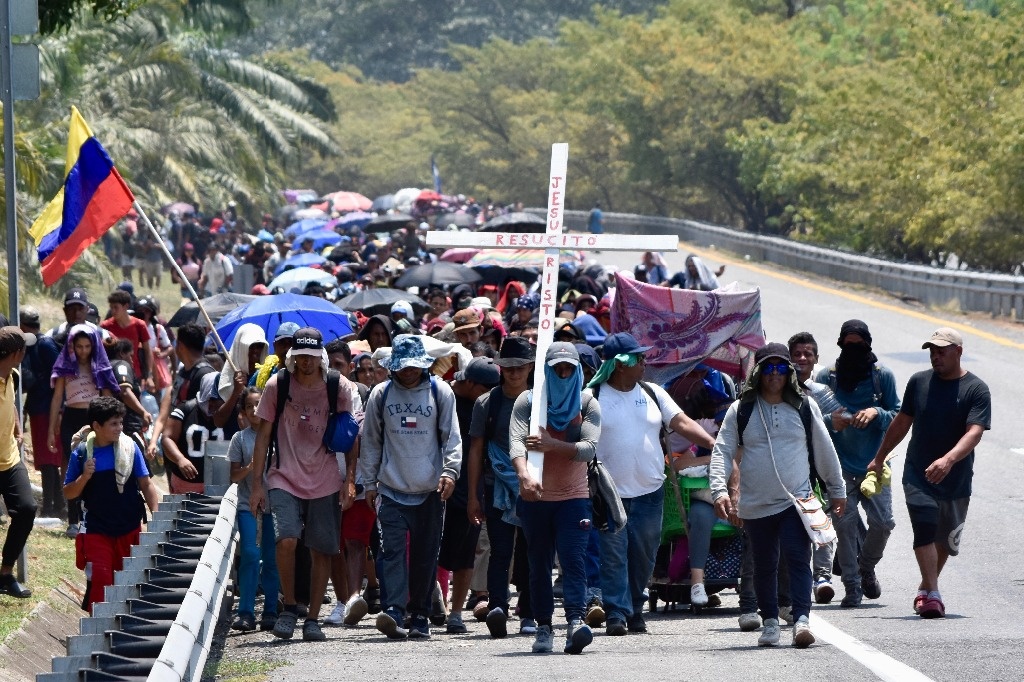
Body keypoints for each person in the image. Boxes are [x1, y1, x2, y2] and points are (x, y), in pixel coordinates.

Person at [710, 343, 846, 649]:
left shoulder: (805, 406)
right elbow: (722, 450)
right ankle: (770, 621)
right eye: (768, 368)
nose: (774, 374)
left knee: (798, 558)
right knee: (764, 563)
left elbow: (824, 450)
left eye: (781, 368)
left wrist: (837, 489)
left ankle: (801, 621)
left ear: (789, 373)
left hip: (796, 501)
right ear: (758, 372)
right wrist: (720, 490)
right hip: (756, 504)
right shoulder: (741, 409)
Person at [588, 332, 716, 634]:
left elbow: (681, 422)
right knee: (614, 554)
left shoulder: (653, 392)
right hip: (610, 494)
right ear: (620, 364)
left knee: (644, 554)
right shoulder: (593, 397)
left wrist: (713, 443)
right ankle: (618, 613)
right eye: (638, 358)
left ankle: (634, 604)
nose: (644, 362)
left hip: (650, 491)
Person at [868, 328, 990, 619]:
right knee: (924, 526)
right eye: (932, 351)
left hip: (956, 477)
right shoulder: (919, 382)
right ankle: (934, 595)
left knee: (945, 539)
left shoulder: (976, 389)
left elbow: (975, 432)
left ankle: (925, 587)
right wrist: (879, 458)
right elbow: (901, 422)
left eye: (942, 351)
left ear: (958, 351)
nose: (935, 356)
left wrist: (948, 460)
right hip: (918, 472)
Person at [249, 327, 358, 642]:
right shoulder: (277, 385)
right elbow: (263, 438)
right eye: (300, 357)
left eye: (311, 356)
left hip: (325, 476)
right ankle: (290, 606)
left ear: (319, 357)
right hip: (284, 475)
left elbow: (351, 437)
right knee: (287, 540)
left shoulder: (337, 386)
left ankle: (312, 618)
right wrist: (257, 485)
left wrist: (349, 479)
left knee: (321, 548)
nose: (306, 363)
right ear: (292, 357)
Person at [360, 335, 461, 640]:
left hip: (430, 489)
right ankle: (393, 610)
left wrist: (450, 472)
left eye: (414, 366)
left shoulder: (440, 391)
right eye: (403, 367)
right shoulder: (381, 394)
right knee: (391, 552)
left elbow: (451, 437)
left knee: (425, 554)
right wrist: (369, 483)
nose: (409, 372)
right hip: (391, 487)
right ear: (393, 367)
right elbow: (372, 442)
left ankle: (419, 613)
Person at [510, 343, 600, 655]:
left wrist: (551, 444)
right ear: (547, 370)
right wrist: (523, 475)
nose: (563, 373)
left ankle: (575, 621)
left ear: (578, 370)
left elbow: (589, 448)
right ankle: (544, 627)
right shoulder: (529, 401)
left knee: (574, 562)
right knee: (538, 564)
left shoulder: (587, 403)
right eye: (557, 368)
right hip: (536, 498)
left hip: (573, 498)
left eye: (569, 368)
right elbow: (516, 442)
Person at [816, 320, 901, 608]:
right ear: (840, 345)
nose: (853, 350)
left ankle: (866, 567)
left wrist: (877, 413)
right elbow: (812, 421)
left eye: (859, 345)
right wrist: (832, 421)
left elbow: (900, 415)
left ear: (869, 345)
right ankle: (852, 587)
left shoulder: (882, 377)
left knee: (883, 523)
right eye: (848, 345)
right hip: (839, 468)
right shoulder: (827, 378)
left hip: (875, 465)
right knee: (846, 525)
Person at [63, 397, 160, 613]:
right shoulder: (81, 453)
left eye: (120, 422)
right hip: (97, 530)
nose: (119, 428)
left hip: (129, 527)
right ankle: (97, 636)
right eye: (113, 424)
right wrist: (85, 476)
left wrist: (157, 518)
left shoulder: (130, 448)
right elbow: (69, 492)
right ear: (97, 426)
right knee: (102, 582)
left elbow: (145, 483)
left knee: (129, 583)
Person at [442, 357, 500, 634]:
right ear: (468, 383)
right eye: (485, 388)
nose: (489, 394)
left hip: (472, 491)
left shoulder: (487, 408)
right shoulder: (442, 399)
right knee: (428, 553)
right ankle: (426, 603)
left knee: (466, 555)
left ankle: (455, 613)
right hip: (438, 488)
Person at [49, 325, 120, 538]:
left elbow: (108, 398)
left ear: (93, 346)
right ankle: (72, 520)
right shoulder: (65, 367)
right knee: (72, 466)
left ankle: (91, 517)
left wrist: (114, 425)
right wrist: (51, 429)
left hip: (93, 419)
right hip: (71, 417)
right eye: (78, 346)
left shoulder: (99, 367)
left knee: (93, 466)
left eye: (87, 346)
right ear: (71, 346)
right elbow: (57, 398)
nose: (82, 351)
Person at [787, 331, 836, 606]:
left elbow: (836, 424)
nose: (802, 359)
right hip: (790, 470)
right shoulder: (778, 389)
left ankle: (823, 578)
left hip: (818, 470)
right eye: (796, 354)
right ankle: (797, 581)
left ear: (816, 359)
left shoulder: (823, 392)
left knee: (822, 522)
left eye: (808, 354)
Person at [228, 388, 279, 632]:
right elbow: (234, 476)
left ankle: (270, 609)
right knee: (249, 554)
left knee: (271, 558)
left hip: (275, 507)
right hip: (248, 505)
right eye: (250, 406)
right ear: (244, 413)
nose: (255, 410)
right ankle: (245, 611)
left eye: (259, 404)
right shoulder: (240, 439)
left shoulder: (280, 436)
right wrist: (251, 467)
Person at [0, 327, 37, 598]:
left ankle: (5, 574)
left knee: (26, 508)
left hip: (10, 458)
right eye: (25, 348)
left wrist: (16, 427)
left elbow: (10, 402)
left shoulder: (12, 374)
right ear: (16, 353)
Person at [19, 307, 64, 519]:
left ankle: (50, 506)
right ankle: (55, 503)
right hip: (38, 407)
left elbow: (60, 377)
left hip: (49, 409)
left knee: (49, 460)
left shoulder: (44, 344)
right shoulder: (33, 345)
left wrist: (60, 410)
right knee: (47, 461)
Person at [161, 372, 237, 494]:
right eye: (210, 399)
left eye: (217, 399)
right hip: (186, 484)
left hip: (222, 484)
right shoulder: (186, 409)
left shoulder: (233, 413)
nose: (212, 404)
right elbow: (167, 438)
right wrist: (180, 459)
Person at [101, 289, 155, 394]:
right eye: (111, 308)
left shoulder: (139, 325)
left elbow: (148, 351)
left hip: (134, 373)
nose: (113, 311)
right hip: (113, 374)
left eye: (116, 307)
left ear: (126, 306)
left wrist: (149, 376)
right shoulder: (105, 326)